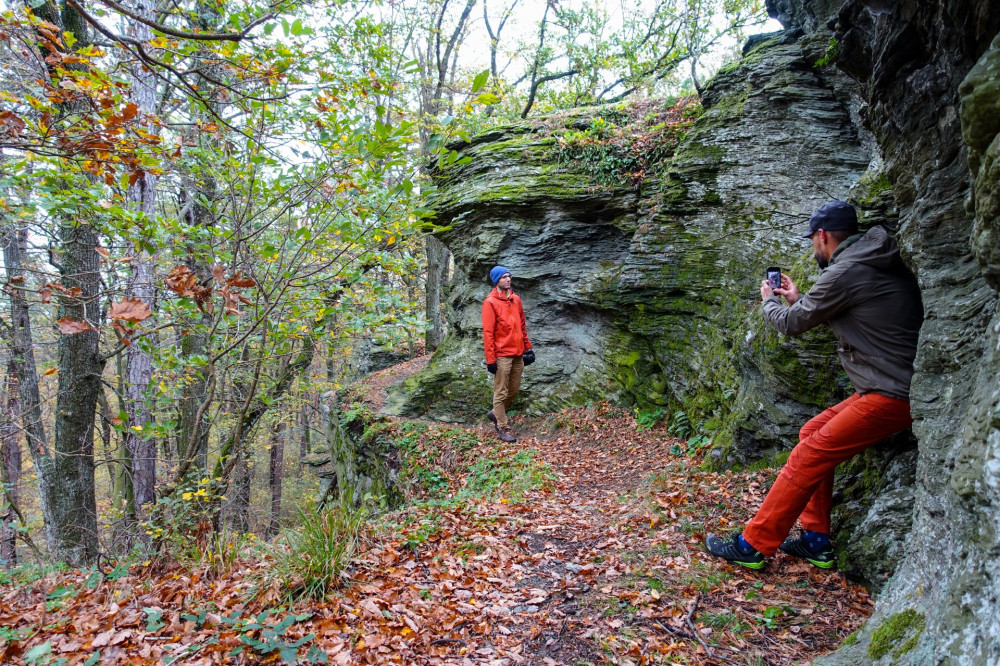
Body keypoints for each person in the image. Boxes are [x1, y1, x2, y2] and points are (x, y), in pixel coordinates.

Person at [705, 200, 923, 570]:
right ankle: (815, 539)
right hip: (886, 385)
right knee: (811, 432)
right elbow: (851, 310)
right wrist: (798, 299)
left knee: (807, 455)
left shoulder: (844, 272)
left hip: (890, 393)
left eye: (813, 241)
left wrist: (769, 302)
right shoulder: (873, 260)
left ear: (822, 236)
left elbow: (791, 324)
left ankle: (752, 546)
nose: (813, 248)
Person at [482, 266, 535, 443]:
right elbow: (488, 333)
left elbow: (521, 326)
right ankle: (503, 428)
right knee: (501, 392)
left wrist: (528, 348)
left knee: (514, 389)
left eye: (509, 276)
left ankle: (495, 413)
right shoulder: (490, 302)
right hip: (502, 355)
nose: (508, 279)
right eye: (504, 277)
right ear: (496, 280)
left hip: (518, 353)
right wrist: (491, 359)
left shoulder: (516, 299)